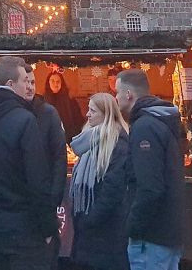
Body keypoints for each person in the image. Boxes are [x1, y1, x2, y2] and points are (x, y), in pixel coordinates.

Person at [0, 55, 56, 270]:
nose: (29, 86)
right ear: (10, 85)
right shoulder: (24, 120)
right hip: (23, 230)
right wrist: (48, 227)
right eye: (25, 80)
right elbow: (37, 179)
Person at [115, 69, 185, 270]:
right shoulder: (161, 122)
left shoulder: (144, 127)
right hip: (167, 232)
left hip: (151, 237)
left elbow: (150, 186)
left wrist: (133, 226)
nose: (116, 98)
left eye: (117, 92)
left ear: (129, 94)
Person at [70, 93, 130, 270]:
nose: (87, 114)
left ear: (106, 114)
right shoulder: (88, 141)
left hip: (106, 229)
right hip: (87, 230)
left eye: (92, 110)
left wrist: (90, 219)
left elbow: (113, 189)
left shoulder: (118, 144)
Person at [19, 63, 67, 269]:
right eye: (26, 82)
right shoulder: (9, 115)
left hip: (43, 199)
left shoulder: (48, 113)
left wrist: (53, 198)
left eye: (32, 82)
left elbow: (59, 157)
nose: (30, 87)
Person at [44, 72, 85, 143]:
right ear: (48, 83)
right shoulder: (43, 102)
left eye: (58, 81)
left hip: (69, 138)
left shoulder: (70, 101)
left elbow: (79, 121)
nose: (55, 84)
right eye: (52, 81)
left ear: (62, 83)